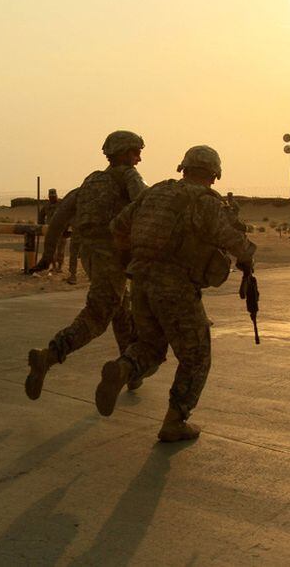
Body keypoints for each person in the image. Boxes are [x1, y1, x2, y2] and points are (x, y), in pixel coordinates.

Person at [95, 145, 256, 442]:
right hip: (176, 287)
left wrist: (135, 255)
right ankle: (175, 421)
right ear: (214, 174)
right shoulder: (205, 202)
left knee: (151, 346)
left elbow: (117, 226)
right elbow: (232, 240)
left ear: (183, 168)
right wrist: (248, 256)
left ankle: (123, 368)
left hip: (140, 281)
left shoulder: (154, 192)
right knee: (197, 355)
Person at [25, 130, 147, 401]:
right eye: (136, 152)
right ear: (125, 153)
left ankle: (130, 370)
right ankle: (50, 355)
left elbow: (58, 220)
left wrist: (46, 257)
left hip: (91, 256)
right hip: (113, 257)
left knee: (120, 308)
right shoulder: (127, 177)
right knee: (98, 315)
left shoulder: (90, 183)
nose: (139, 158)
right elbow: (146, 203)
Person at [38, 188, 66, 271]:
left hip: (61, 229)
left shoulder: (62, 204)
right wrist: (41, 226)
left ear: (56, 195)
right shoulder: (47, 206)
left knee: (61, 250)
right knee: (51, 249)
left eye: (54, 196)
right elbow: (41, 215)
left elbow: (69, 215)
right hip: (50, 230)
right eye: (50, 197)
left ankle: (59, 266)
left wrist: (68, 228)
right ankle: (53, 266)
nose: (52, 198)